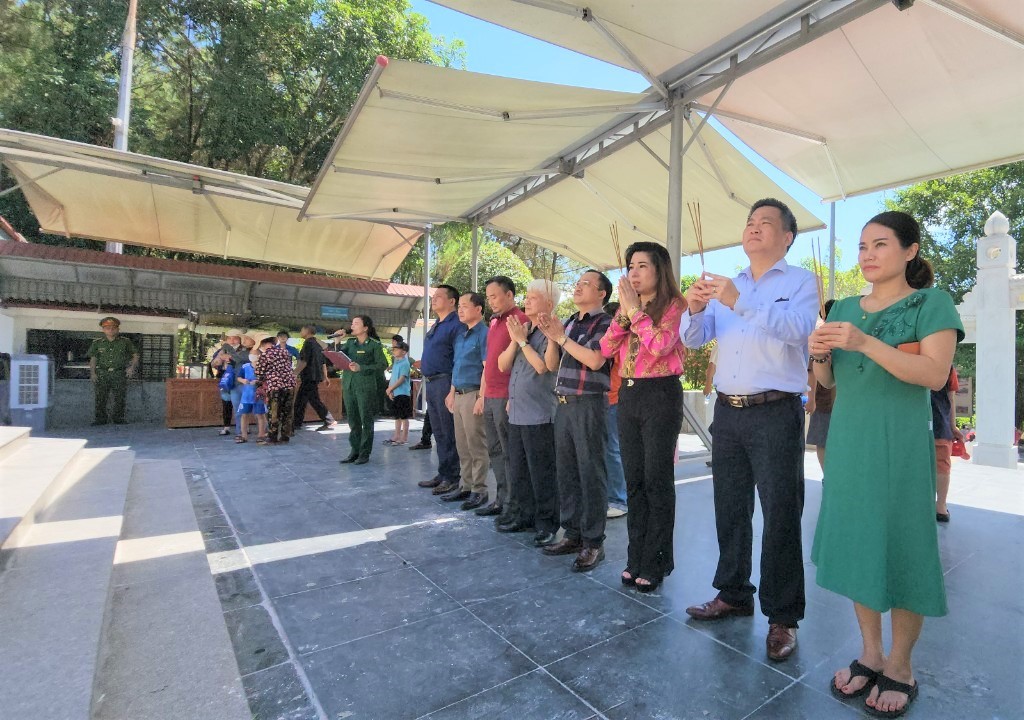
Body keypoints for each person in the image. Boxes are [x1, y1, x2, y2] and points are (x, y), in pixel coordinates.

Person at [809, 211, 962, 717]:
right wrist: (819, 354)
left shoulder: (930, 303)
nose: (868, 254)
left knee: (902, 545)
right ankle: (870, 652)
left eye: (880, 244)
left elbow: (934, 374)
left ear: (910, 250)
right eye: (862, 246)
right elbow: (830, 383)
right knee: (859, 544)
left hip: (898, 446)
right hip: (849, 443)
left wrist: (863, 341)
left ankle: (900, 664)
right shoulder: (846, 306)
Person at [682, 198, 818, 663]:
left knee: (781, 513)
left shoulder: (800, 281)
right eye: (750, 222)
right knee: (729, 508)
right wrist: (696, 308)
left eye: (766, 223)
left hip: (776, 411)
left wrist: (740, 300)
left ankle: (783, 616)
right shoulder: (726, 284)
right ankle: (733, 592)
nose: (754, 228)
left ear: (786, 238)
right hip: (730, 412)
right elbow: (695, 340)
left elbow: (798, 331)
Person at [600, 242, 687, 593]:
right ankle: (635, 557)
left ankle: (657, 559)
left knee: (657, 479)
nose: (634, 273)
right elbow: (606, 348)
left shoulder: (675, 305)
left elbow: (661, 345)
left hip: (661, 393)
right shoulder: (627, 307)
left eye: (642, 266)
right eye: (630, 267)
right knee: (634, 479)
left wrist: (635, 313)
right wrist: (626, 314)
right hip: (630, 393)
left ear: (659, 270)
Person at [536, 269, 613, 572]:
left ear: (602, 293)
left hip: (589, 404)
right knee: (567, 472)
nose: (578, 287)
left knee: (591, 472)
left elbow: (595, 360)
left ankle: (594, 542)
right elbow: (552, 365)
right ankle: (573, 534)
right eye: (578, 283)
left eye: (586, 284)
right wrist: (552, 338)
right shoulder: (568, 321)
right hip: (564, 404)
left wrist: (560, 337)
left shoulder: (605, 323)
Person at [500, 279, 560, 543]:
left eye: (534, 297)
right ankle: (524, 516)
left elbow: (544, 367)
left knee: (542, 472)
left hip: (539, 413)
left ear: (549, 303)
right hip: (517, 411)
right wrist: (517, 340)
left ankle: (546, 524)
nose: (527, 300)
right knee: (519, 469)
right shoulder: (525, 328)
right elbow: (503, 365)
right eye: (528, 296)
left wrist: (523, 343)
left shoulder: (549, 330)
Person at [475, 276, 530, 521]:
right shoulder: (495, 322)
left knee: (511, 454)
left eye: (494, 296)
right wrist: (482, 394)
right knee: (495, 451)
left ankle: (514, 506)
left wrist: (511, 395)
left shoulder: (521, 320)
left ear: (510, 295)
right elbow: (488, 364)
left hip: (507, 397)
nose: (491, 301)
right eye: (488, 297)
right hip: (490, 395)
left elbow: (522, 363)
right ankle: (501, 499)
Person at [442, 293, 490, 508]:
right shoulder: (461, 335)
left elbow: (487, 368)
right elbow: (457, 366)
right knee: (462, 445)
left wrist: (481, 396)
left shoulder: (484, 334)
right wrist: (451, 391)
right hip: (459, 394)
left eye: (464, 306)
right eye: (459, 306)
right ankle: (466, 486)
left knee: (476, 444)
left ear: (478, 309)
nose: (460, 310)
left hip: (473, 393)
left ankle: (479, 490)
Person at [416, 285, 464, 493]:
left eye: (438, 297)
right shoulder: (437, 324)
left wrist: (453, 388)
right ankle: (443, 472)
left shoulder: (457, 325)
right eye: (433, 297)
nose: (433, 300)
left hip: (446, 381)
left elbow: (459, 357)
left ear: (452, 301)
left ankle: (453, 476)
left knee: (449, 430)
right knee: (438, 431)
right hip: (432, 382)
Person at [335, 316, 387, 464]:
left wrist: (362, 368)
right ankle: (354, 450)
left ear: (365, 328)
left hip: (365, 386)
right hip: (349, 385)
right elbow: (339, 358)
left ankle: (364, 453)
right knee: (352, 420)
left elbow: (382, 364)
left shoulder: (374, 345)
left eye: (356, 323)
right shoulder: (350, 343)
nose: (352, 326)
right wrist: (338, 342)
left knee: (366, 419)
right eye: (352, 323)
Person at [87, 316, 139, 425]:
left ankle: (118, 418)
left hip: (119, 373)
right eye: (107, 328)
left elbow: (135, 355)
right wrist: (92, 373)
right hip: (102, 373)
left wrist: (131, 368)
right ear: (103, 330)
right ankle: (100, 419)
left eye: (113, 328)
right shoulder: (97, 343)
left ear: (118, 329)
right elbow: (93, 358)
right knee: (101, 397)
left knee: (120, 396)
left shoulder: (125, 342)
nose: (110, 330)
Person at [602, 301, 628, 519]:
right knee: (610, 449)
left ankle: (618, 500)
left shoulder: (620, 340)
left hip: (615, 397)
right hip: (605, 398)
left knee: (613, 449)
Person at [806, 299, 837, 478]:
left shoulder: (847, 335)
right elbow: (812, 370)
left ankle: (831, 477)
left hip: (843, 399)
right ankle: (828, 477)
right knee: (822, 440)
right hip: (824, 399)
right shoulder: (818, 336)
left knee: (825, 441)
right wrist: (812, 399)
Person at [932, 367, 963, 522]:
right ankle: (941, 506)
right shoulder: (947, 367)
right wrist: (952, 426)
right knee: (942, 465)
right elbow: (950, 398)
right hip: (940, 422)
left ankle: (933, 505)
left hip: (915, 424)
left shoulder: (908, 355)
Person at [293, 325, 336, 432]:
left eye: (302, 329)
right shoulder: (317, 345)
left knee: (310, 400)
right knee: (303, 400)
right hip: (315, 376)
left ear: (307, 331)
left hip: (308, 376)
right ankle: (296, 423)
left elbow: (304, 361)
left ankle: (329, 420)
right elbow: (323, 363)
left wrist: (294, 373)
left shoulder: (308, 343)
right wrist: (325, 377)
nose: (301, 332)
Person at [257, 334, 296, 443]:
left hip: (275, 385)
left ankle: (272, 437)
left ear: (264, 344)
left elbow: (259, 372)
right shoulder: (285, 352)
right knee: (287, 412)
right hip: (290, 384)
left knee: (274, 412)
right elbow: (289, 366)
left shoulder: (265, 355)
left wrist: (259, 382)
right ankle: (285, 436)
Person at [236, 340, 268, 444]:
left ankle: (261, 435)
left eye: (256, 355)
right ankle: (243, 435)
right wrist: (243, 380)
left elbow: (267, 379)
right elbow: (238, 377)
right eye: (251, 355)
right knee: (244, 414)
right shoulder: (245, 366)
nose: (253, 357)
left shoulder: (264, 367)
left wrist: (258, 381)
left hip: (259, 395)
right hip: (246, 395)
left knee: (260, 415)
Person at [385, 341, 413, 446]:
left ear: (404, 352)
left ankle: (404, 437)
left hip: (403, 393)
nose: (394, 350)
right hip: (395, 392)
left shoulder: (405, 363)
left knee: (404, 417)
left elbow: (401, 379)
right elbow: (393, 378)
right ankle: (396, 435)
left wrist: (390, 388)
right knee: (397, 416)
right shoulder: (396, 362)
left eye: (396, 349)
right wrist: (390, 390)